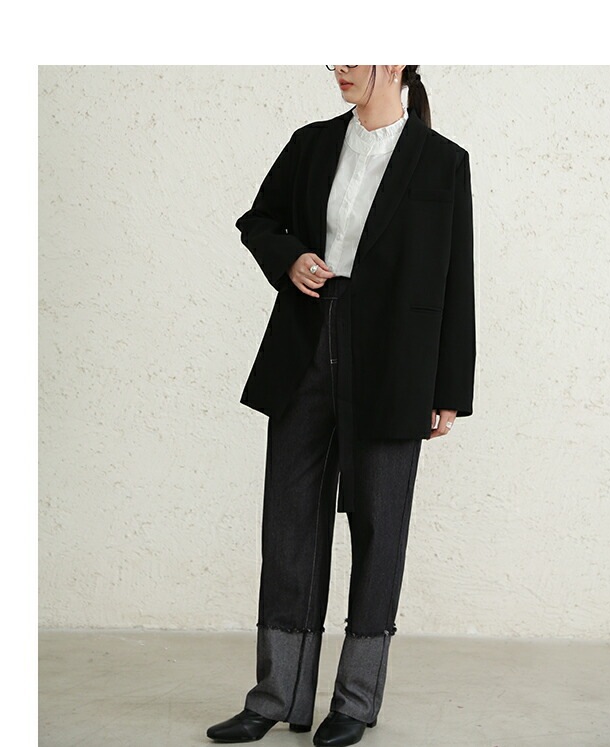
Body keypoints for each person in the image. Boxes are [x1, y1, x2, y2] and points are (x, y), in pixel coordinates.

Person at [206, 65, 476, 746]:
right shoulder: (312, 142)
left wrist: (450, 390)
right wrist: (291, 257)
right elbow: (258, 220)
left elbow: (457, 277)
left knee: (380, 527)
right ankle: (275, 695)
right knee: (289, 522)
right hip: (307, 342)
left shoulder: (442, 162)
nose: (342, 67)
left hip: (394, 363)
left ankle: (354, 700)